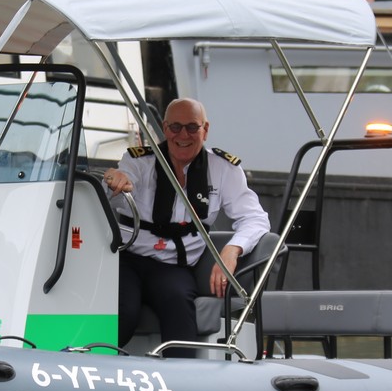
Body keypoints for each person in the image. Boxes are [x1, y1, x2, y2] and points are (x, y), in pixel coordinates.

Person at [104, 98, 270, 355]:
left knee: (179, 306)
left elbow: (256, 219)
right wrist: (115, 181)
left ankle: (181, 374)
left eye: (192, 127)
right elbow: (120, 184)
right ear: (164, 128)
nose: (183, 135)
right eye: (175, 127)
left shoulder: (223, 168)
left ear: (206, 129)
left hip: (174, 266)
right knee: (124, 311)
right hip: (128, 259)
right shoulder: (138, 161)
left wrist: (231, 250)